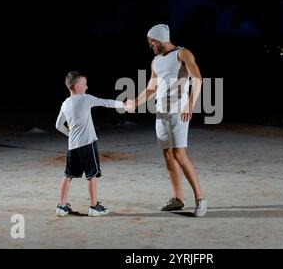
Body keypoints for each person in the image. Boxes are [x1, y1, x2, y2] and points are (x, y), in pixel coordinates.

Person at [129, 24, 207, 217]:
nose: (150, 46)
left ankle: (200, 199)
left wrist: (190, 104)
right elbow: (151, 88)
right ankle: (178, 199)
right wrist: (135, 103)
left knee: (180, 155)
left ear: (159, 39)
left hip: (178, 112)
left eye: (151, 42)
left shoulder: (183, 54)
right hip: (161, 113)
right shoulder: (155, 61)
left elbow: (197, 79)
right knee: (168, 156)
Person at [55, 71, 133, 217]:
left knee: (68, 175)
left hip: (73, 146)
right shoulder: (85, 98)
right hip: (87, 144)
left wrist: (70, 134)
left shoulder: (65, 104)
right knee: (92, 175)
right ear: (77, 87)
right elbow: (105, 102)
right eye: (84, 84)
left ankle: (61, 206)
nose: (87, 86)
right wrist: (123, 104)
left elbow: (58, 125)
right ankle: (94, 207)